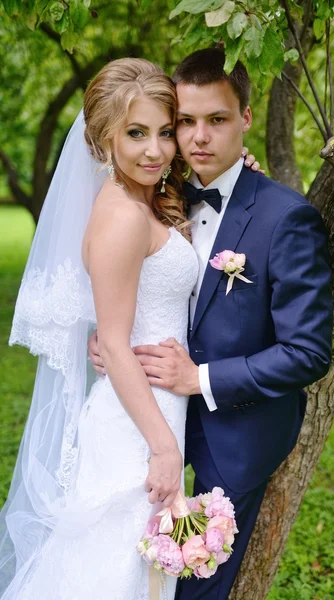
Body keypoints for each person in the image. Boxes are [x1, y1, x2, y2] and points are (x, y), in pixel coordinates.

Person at [89, 48, 334, 600]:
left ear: (245, 118)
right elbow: (125, 274)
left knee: (195, 585)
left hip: (235, 431)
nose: (199, 137)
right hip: (148, 421)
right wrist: (110, 336)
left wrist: (197, 378)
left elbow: (308, 352)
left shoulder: (285, 217)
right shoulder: (158, 190)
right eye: (186, 122)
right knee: (129, 570)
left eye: (217, 120)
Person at [0, 58, 199, 600]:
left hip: (154, 407)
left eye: (164, 132)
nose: (156, 150)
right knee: (114, 573)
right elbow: (112, 340)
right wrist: (162, 449)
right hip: (136, 428)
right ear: (103, 136)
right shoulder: (123, 215)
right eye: (136, 134)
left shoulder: (142, 199)